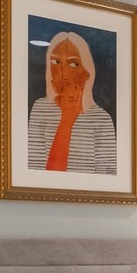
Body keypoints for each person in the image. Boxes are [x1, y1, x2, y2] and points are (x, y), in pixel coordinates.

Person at [26, 30, 116, 174]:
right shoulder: (40, 108)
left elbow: (108, 174)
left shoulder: (101, 119)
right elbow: (33, 170)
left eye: (74, 64)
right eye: (56, 62)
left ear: (87, 72)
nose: (64, 73)